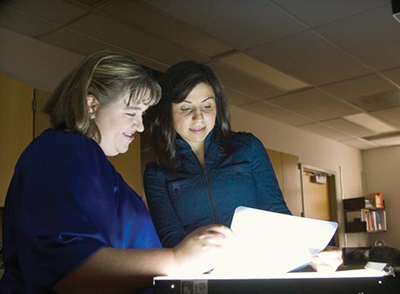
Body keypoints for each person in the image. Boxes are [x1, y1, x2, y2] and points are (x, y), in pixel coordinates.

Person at [0, 51, 233, 294]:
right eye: (131, 113)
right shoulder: (66, 150)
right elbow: (68, 270)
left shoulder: (89, 161)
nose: (140, 125)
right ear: (92, 105)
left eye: (142, 115)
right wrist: (175, 260)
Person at [143, 60, 342, 273]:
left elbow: (278, 215)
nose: (198, 117)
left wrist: (312, 253)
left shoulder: (247, 148)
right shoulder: (157, 173)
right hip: (202, 280)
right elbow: (172, 240)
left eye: (207, 106)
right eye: (185, 107)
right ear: (167, 111)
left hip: (259, 274)